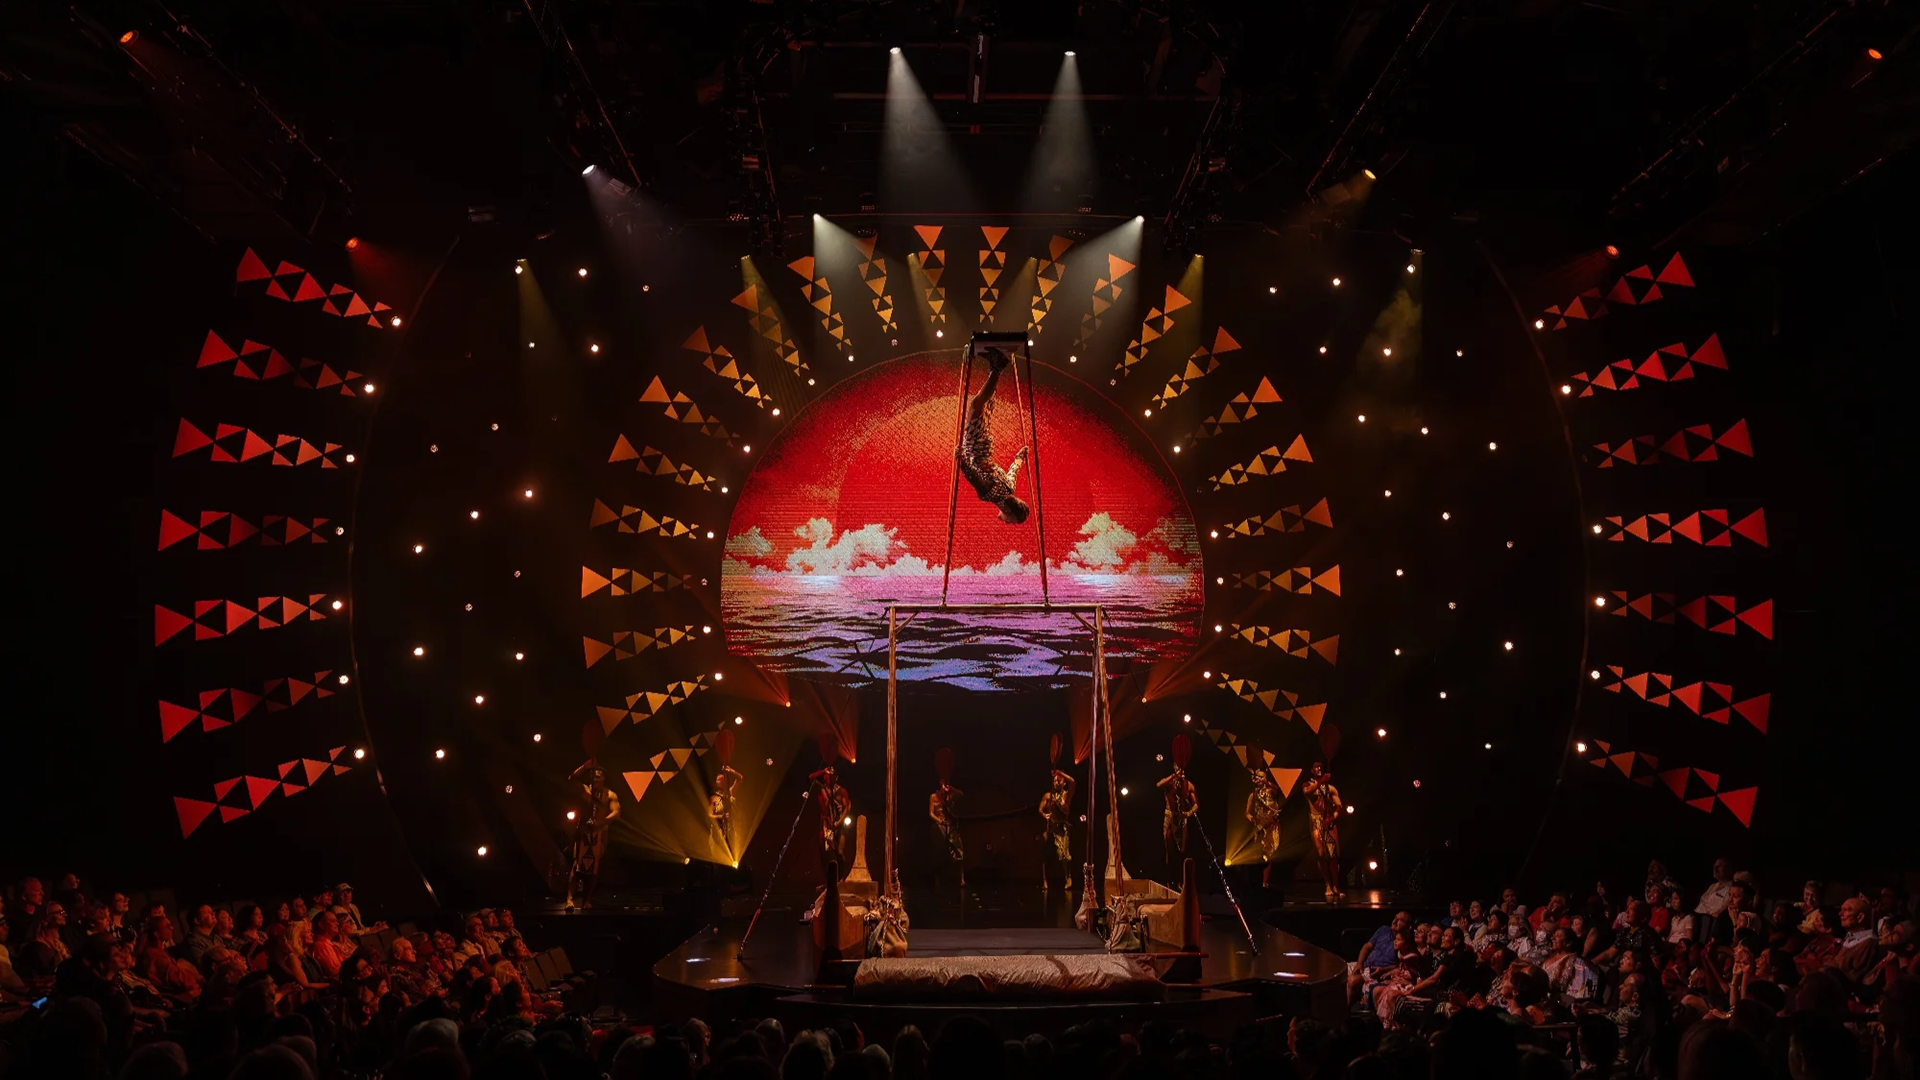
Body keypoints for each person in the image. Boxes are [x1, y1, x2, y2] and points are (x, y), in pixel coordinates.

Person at [955, 347, 1031, 524]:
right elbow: (972, 476)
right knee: (976, 406)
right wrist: (961, 459)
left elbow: (1014, 470)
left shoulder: (1010, 488)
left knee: (985, 404)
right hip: (975, 449)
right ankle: (997, 367)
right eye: (1010, 521)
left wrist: (1020, 457)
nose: (1006, 522)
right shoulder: (990, 495)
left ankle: (994, 365)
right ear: (1010, 512)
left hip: (985, 447)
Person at [565, 760, 621, 909]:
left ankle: (586, 900)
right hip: (583, 831)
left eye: (598, 777)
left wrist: (601, 823)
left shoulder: (610, 795)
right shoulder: (585, 790)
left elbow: (616, 813)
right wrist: (584, 767)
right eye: (593, 776)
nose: (595, 779)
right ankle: (569, 899)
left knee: (594, 869)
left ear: (603, 778)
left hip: (599, 833)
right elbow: (571, 779)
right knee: (577, 867)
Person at [1301, 762, 1344, 900]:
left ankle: (1336, 886)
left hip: (1328, 821)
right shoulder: (1307, 784)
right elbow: (1307, 792)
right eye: (1316, 767)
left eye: (1320, 766)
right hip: (1315, 821)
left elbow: (1339, 806)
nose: (1319, 768)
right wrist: (1321, 781)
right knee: (1321, 854)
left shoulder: (1330, 788)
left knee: (1333, 856)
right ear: (1312, 770)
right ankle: (1327, 885)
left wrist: (1332, 819)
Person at [810, 765, 853, 880]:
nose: (829, 778)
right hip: (828, 826)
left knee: (840, 852)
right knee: (828, 853)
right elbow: (810, 778)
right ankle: (830, 880)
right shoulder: (822, 789)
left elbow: (846, 808)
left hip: (840, 826)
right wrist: (823, 771)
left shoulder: (841, 791)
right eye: (827, 776)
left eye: (832, 776)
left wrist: (839, 822)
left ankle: (842, 878)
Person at [1244, 766, 1283, 888]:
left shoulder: (1271, 791)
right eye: (1258, 777)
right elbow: (1247, 812)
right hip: (1260, 827)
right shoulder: (1253, 794)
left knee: (1270, 854)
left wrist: (1267, 783)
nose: (1259, 779)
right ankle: (1261, 882)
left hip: (1272, 826)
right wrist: (1250, 817)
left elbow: (1278, 789)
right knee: (1262, 854)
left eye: (1261, 777)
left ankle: (1265, 881)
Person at [1038, 768, 1075, 892]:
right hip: (1050, 829)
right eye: (1054, 781)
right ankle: (1044, 880)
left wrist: (1059, 773)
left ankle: (1068, 877)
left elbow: (1072, 782)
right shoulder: (1048, 796)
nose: (1056, 783)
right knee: (1045, 855)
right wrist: (1045, 815)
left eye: (1059, 781)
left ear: (1063, 783)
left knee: (1066, 857)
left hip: (1061, 829)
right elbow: (1040, 810)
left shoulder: (1066, 796)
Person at [1156, 761, 1197, 872]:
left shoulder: (1188, 785)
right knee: (1168, 843)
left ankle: (1181, 872)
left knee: (1182, 848)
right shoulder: (1170, 782)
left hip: (1181, 816)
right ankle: (1169, 871)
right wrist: (1174, 776)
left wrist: (1188, 813)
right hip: (1169, 814)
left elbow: (1196, 804)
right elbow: (1159, 785)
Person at [928, 777, 965, 886]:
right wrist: (940, 821)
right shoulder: (933, 797)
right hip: (939, 825)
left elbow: (961, 794)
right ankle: (937, 879)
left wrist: (952, 789)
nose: (944, 786)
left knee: (959, 849)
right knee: (939, 851)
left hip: (950, 825)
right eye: (942, 784)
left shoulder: (949, 797)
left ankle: (962, 879)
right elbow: (931, 813)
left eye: (945, 784)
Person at [710, 762, 742, 850]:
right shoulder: (714, 798)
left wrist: (730, 770)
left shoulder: (730, 792)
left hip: (731, 828)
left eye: (723, 779)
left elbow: (739, 778)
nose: (721, 781)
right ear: (716, 782)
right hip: (718, 831)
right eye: (719, 779)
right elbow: (710, 815)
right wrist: (721, 816)